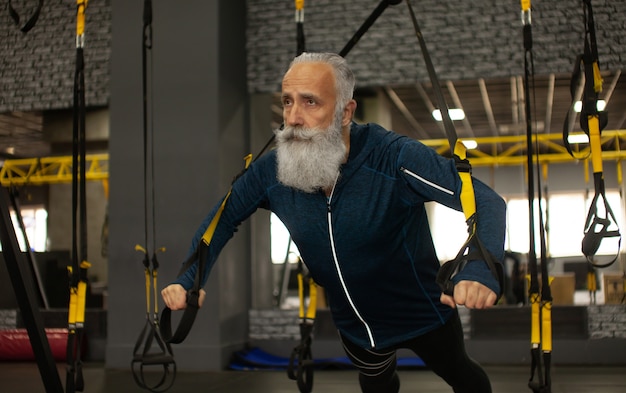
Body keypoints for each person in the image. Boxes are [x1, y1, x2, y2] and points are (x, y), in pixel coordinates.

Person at [162, 52, 506, 393]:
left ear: (345, 112)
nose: (293, 118)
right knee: (378, 386)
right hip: (357, 327)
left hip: (423, 313)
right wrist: (189, 279)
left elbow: (485, 202)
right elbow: (221, 219)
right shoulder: (272, 171)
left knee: (463, 376)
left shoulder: (393, 156)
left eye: (310, 102)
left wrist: (479, 268)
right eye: (287, 102)